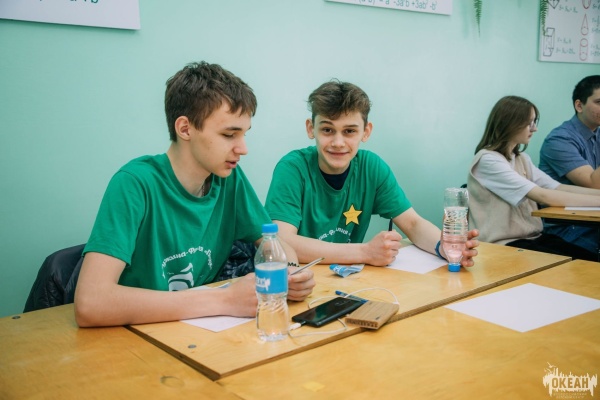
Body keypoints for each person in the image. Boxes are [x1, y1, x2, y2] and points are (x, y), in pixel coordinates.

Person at [74, 62, 315, 327]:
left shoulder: (229, 178)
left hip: (192, 332)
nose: (243, 148)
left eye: (244, 134)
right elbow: (90, 303)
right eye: (229, 134)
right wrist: (223, 300)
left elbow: (273, 242)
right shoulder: (134, 184)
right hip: (130, 336)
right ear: (185, 129)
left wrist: (291, 273)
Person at [264, 79, 479, 267]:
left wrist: (444, 247)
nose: (338, 142)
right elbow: (281, 240)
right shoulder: (292, 168)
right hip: (299, 280)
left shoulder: (372, 167)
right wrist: (365, 252)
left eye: (349, 131)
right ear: (311, 129)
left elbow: (412, 223)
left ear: (366, 132)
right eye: (327, 130)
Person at [469, 95, 600, 260]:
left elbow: (557, 187)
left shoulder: (522, 158)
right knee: (582, 266)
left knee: (591, 260)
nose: (534, 129)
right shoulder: (488, 160)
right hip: (504, 244)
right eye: (529, 123)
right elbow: (543, 195)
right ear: (510, 123)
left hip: (532, 237)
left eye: (534, 122)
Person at [539, 75, 600, 255]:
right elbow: (594, 184)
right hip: (569, 227)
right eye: (599, 102)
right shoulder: (559, 139)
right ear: (579, 105)